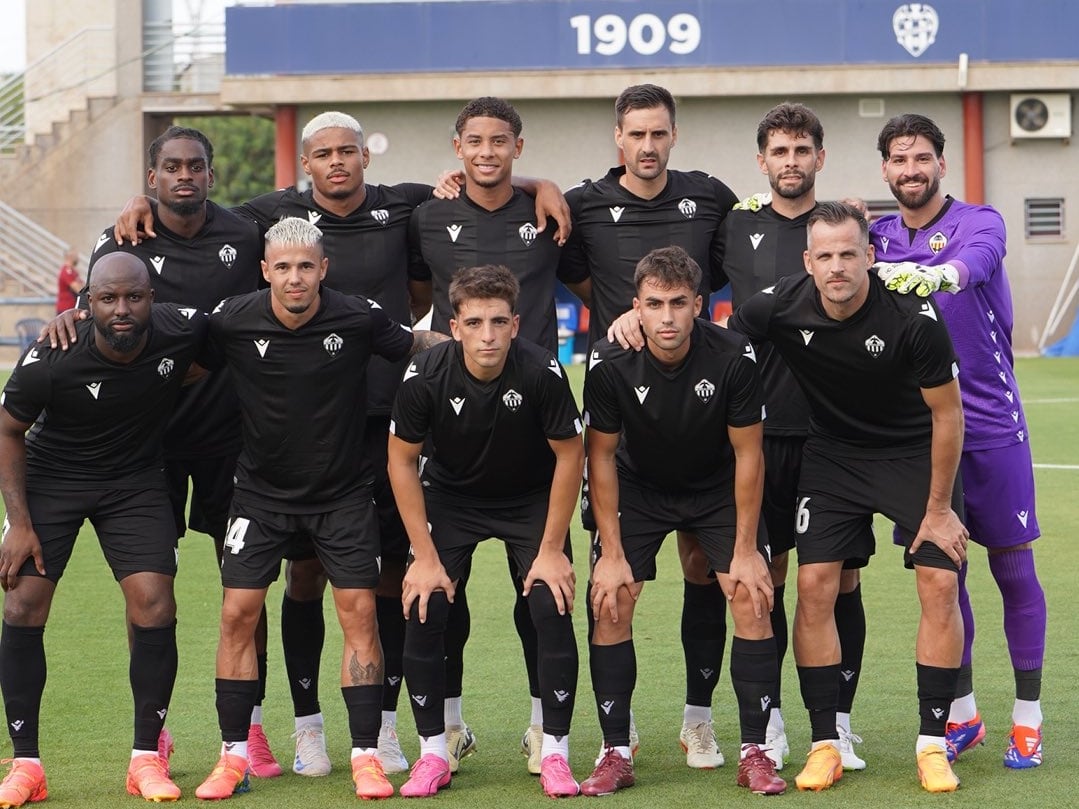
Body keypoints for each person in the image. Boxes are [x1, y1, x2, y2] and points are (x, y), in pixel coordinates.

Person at [109, 110, 570, 778]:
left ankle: (380, 738)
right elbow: (193, 242)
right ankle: (288, 733)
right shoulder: (254, 263)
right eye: (322, 152)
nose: (336, 161)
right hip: (270, 464)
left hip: (381, 437)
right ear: (268, 267)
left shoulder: (400, 216)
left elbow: (478, 181)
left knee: (383, 586)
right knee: (282, 589)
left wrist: (539, 184)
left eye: (347, 150)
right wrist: (141, 200)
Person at [192, 217, 446, 801]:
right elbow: (180, 360)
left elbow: (414, 343)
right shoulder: (233, 318)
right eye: (282, 267)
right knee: (237, 614)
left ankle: (364, 757)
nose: (295, 277)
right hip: (259, 494)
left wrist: (478, 344)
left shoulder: (356, 316)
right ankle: (233, 756)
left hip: (342, 494)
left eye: (306, 265)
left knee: (358, 613)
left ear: (323, 268)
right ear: (265, 271)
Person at [728, 201, 968, 793]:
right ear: (809, 261)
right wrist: (634, 320)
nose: (837, 267)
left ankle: (933, 745)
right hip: (834, 456)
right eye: (825, 255)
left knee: (939, 581)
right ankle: (824, 744)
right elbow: (723, 337)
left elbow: (948, 416)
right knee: (813, 586)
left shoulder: (915, 318)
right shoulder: (780, 305)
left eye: (848, 254)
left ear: (871, 255)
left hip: (913, 453)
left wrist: (938, 510)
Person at [82, 125, 274, 775]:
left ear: (211, 176)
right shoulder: (122, 242)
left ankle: (250, 728)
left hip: (231, 439)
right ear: (152, 178)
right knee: (150, 594)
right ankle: (153, 735)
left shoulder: (246, 234)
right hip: (149, 447)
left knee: (244, 587)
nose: (184, 175)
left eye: (195, 165)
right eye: (171, 167)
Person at [559, 83, 739, 769]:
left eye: (658, 133)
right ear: (617, 137)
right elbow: (573, 274)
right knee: (613, 581)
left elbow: (721, 274)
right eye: (635, 133)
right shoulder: (580, 206)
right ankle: (617, 726)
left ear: (673, 135)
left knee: (703, 566)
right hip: (619, 415)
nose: (647, 145)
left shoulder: (710, 197)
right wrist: (620, 318)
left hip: (697, 417)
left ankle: (698, 719)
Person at [408, 96, 588, 775]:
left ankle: (547, 732)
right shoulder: (424, 213)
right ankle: (445, 731)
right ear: (455, 147)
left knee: (541, 598)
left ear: (518, 145)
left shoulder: (548, 213)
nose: (486, 151)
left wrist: (543, 185)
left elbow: (596, 285)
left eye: (500, 141)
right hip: (452, 442)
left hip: (532, 434)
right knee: (435, 601)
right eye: (474, 140)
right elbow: (404, 290)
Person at [871, 113, 1047, 769]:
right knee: (942, 574)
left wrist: (937, 275)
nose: (909, 169)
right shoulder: (874, 234)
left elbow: (976, 262)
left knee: (1010, 565)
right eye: (898, 159)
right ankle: (964, 714)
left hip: (989, 423)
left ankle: (1027, 717)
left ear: (940, 164)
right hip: (919, 431)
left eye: (920, 157)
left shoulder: (980, 220)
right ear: (885, 169)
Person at [0, 253, 208, 805]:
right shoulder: (53, 353)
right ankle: (26, 766)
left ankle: (145, 758)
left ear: (151, 299)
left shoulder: (182, 331)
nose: (122, 309)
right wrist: (19, 523)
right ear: (86, 303)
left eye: (134, 298)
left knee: (154, 603)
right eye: (108, 299)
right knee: (22, 604)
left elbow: (213, 355)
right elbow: (6, 429)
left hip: (134, 481)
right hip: (53, 477)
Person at [581, 245, 785, 797]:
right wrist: (613, 553)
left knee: (751, 593)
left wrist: (746, 548)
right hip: (639, 487)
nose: (667, 317)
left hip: (715, 484)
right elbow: (598, 456)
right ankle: (615, 751)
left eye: (678, 303)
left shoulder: (734, 356)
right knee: (611, 598)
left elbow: (749, 455)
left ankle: (755, 751)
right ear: (636, 308)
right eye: (654, 304)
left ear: (699, 304)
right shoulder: (608, 360)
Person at [709, 103, 870, 771]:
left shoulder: (845, 225)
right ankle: (767, 718)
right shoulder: (734, 224)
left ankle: (837, 721)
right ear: (761, 160)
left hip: (837, 434)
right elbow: (680, 286)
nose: (791, 160)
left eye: (801, 149)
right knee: (762, 581)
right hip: (764, 432)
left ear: (819, 158)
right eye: (779, 150)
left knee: (840, 583)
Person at [387, 264, 584, 798]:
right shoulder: (425, 375)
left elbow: (571, 455)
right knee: (427, 601)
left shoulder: (543, 370)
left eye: (499, 322)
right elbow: (401, 462)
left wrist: (549, 550)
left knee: (550, 601)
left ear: (516, 325)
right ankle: (435, 750)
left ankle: (553, 747)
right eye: (474, 323)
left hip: (530, 497)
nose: (488, 335)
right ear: (454, 327)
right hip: (452, 497)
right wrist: (424, 558)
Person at [55, 249, 82, 314]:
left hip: (71, 308)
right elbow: (79, 289)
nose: (78, 258)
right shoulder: (66, 271)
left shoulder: (73, 272)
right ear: (70, 257)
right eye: (76, 256)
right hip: (65, 310)